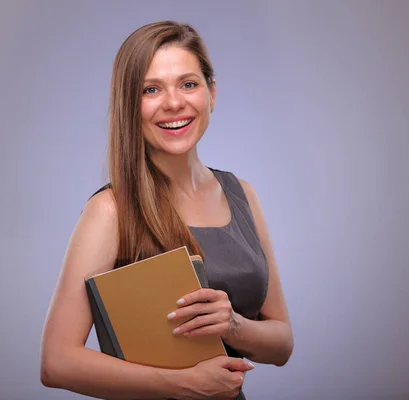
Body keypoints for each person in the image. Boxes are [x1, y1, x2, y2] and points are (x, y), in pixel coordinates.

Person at [40, 21, 293, 400]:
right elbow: (56, 363)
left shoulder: (242, 194)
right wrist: (182, 384)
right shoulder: (111, 210)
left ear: (212, 92)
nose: (174, 103)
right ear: (130, 104)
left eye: (188, 84)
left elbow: (282, 344)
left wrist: (232, 326)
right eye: (151, 89)